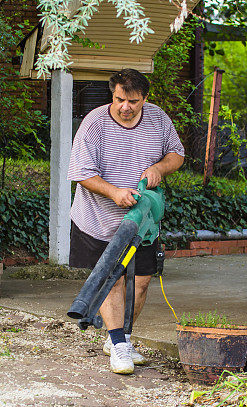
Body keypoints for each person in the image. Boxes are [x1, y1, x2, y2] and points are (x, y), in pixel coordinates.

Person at [68, 68, 185, 375]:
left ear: (144, 98)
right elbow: (81, 173)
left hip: (142, 223)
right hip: (100, 220)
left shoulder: (158, 119)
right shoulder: (95, 124)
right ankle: (119, 344)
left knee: (141, 281)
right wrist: (114, 192)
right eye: (120, 99)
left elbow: (177, 153)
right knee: (114, 280)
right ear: (113, 94)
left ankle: (120, 338)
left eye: (133, 101)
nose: (125, 107)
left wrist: (160, 167)